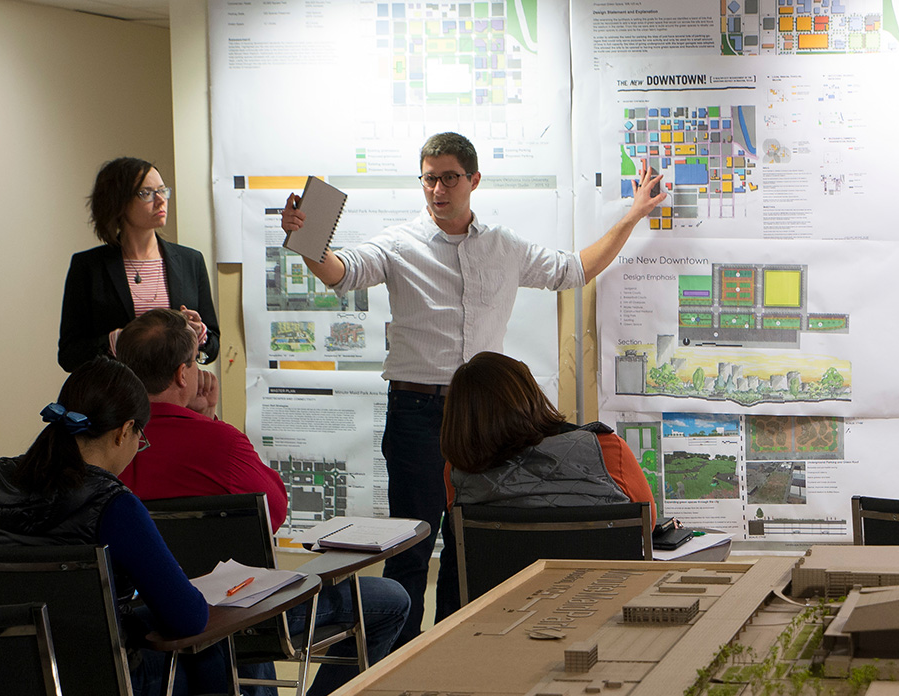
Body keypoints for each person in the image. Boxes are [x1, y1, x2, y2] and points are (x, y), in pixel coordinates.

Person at [280, 132, 665, 644]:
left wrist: (634, 214)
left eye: (448, 177)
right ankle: (399, 663)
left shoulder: (502, 246)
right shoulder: (398, 244)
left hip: (486, 418)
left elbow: (575, 269)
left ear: (473, 180)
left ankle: (454, 650)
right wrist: (307, 243)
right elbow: (340, 272)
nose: (437, 189)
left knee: (472, 544)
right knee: (411, 548)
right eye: (429, 178)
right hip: (418, 413)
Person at [0, 358, 257, 696]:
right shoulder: (114, 505)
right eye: (140, 438)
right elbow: (186, 617)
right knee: (204, 658)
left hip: (4, 687)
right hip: (100, 695)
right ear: (122, 432)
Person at [117, 308, 410, 696]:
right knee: (391, 599)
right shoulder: (220, 444)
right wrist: (210, 421)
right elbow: (273, 514)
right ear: (182, 375)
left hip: (149, 620)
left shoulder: (113, 445)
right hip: (236, 615)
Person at [440, 351, 656, 526]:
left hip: (506, 581)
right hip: (604, 579)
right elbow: (648, 522)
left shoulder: (459, 471)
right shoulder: (606, 448)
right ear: (531, 397)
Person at [58, 157, 219, 372]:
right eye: (147, 193)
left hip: (178, 397)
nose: (161, 200)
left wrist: (200, 335)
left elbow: (213, 348)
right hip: (117, 399)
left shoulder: (191, 261)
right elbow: (69, 356)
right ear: (119, 203)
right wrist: (114, 341)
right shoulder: (88, 267)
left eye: (163, 190)